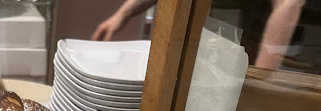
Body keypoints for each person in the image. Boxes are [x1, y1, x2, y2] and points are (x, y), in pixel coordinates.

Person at [92, 0, 305, 71]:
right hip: (190, 58)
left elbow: (289, 3)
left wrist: (263, 75)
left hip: (243, 61)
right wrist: (122, 15)